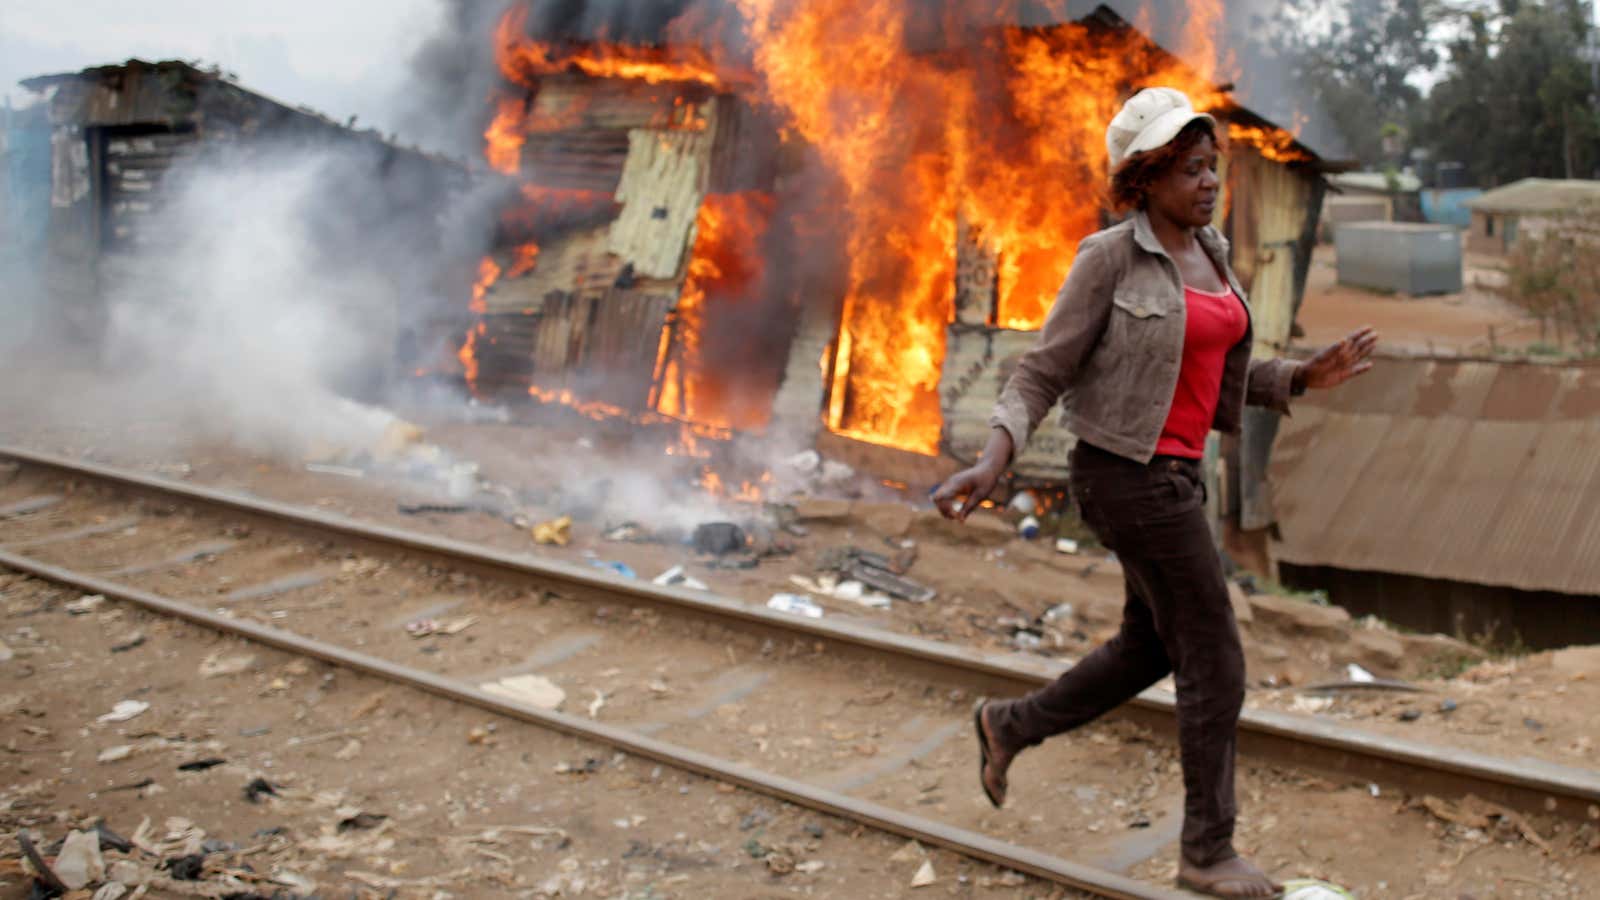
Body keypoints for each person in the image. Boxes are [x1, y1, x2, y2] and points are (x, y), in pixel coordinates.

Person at [931, 87, 1378, 899]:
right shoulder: (1108, 258)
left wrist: (1304, 377)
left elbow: (1213, 381)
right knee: (1217, 656)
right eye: (1187, 169)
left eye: (1211, 166)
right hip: (1122, 478)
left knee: (1152, 646)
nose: (1208, 182)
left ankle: (1008, 726)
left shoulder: (1212, 253)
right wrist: (992, 460)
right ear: (1144, 178)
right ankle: (1207, 850)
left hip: (1178, 477)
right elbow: (1041, 370)